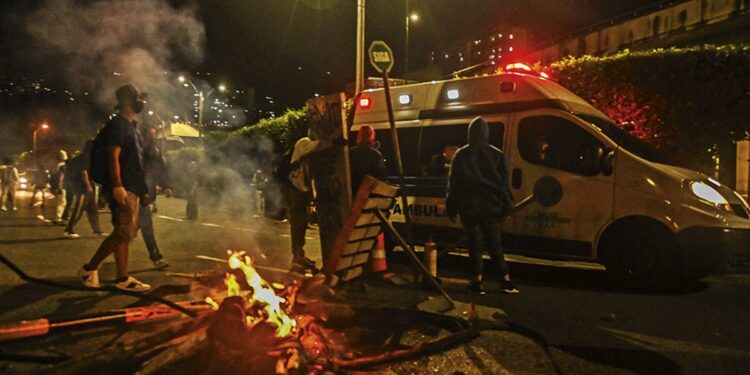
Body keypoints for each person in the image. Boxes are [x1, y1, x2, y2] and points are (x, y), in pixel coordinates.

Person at [79, 84, 151, 292]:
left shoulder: (131, 127)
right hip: (123, 187)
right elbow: (113, 157)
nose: (142, 102)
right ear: (128, 101)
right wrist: (117, 185)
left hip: (132, 187)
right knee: (123, 232)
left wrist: (142, 190)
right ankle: (89, 269)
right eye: (139, 97)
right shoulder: (118, 126)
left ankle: (122, 278)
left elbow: (135, 162)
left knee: (125, 233)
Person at [446, 116, 518, 295]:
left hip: (469, 207)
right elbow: (502, 184)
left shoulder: (461, 155)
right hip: (491, 207)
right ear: (486, 133)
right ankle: (506, 280)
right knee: (495, 246)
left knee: (475, 246)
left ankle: (477, 282)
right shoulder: (496, 154)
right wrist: (507, 205)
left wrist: (451, 206)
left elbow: (454, 183)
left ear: (470, 133)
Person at [284, 130, 334, 274]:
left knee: (301, 223)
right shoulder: (303, 143)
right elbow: (316, 146)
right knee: (298, 224)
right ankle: (297, 257)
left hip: (300, 190)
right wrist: (333, 142)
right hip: (295, 189)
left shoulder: (307, 149)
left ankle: (299, 256)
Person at [139, 125, 171, 268]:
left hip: (146, 194)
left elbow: (161, 168)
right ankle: (156, 257)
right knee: (143, 228)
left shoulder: (155, 151)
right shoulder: (139, 149)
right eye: (150, 134)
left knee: (133, 230)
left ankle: (156, 257)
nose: (153, 137)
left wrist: (167, 185)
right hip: (138, 193)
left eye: (154, 134)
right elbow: (138, 171)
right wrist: (143, 191)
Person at [63, 141, 105, 238]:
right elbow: (83, 171)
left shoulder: (84, 157)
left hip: (85, 184)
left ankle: (97, 230)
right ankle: (69, 230)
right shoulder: (86, 157)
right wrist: (88, 186)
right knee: (79, 207)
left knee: (92, 208)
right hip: (81, 185)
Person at [349, 125, 387, 193]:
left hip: (352, 193)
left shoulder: (349, 153)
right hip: (369, 194)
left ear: (359, 136)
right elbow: (382, 176)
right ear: (372, 136)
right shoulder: (376, 155)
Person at [51, 150, 68, 225]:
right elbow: (61, 176)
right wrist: (60, 187)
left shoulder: (55, 165)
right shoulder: (62, 166)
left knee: (59, 202)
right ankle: (58, 219)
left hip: (55, 185)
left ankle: (57, 218)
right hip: (61, 186)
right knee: (61, 202)